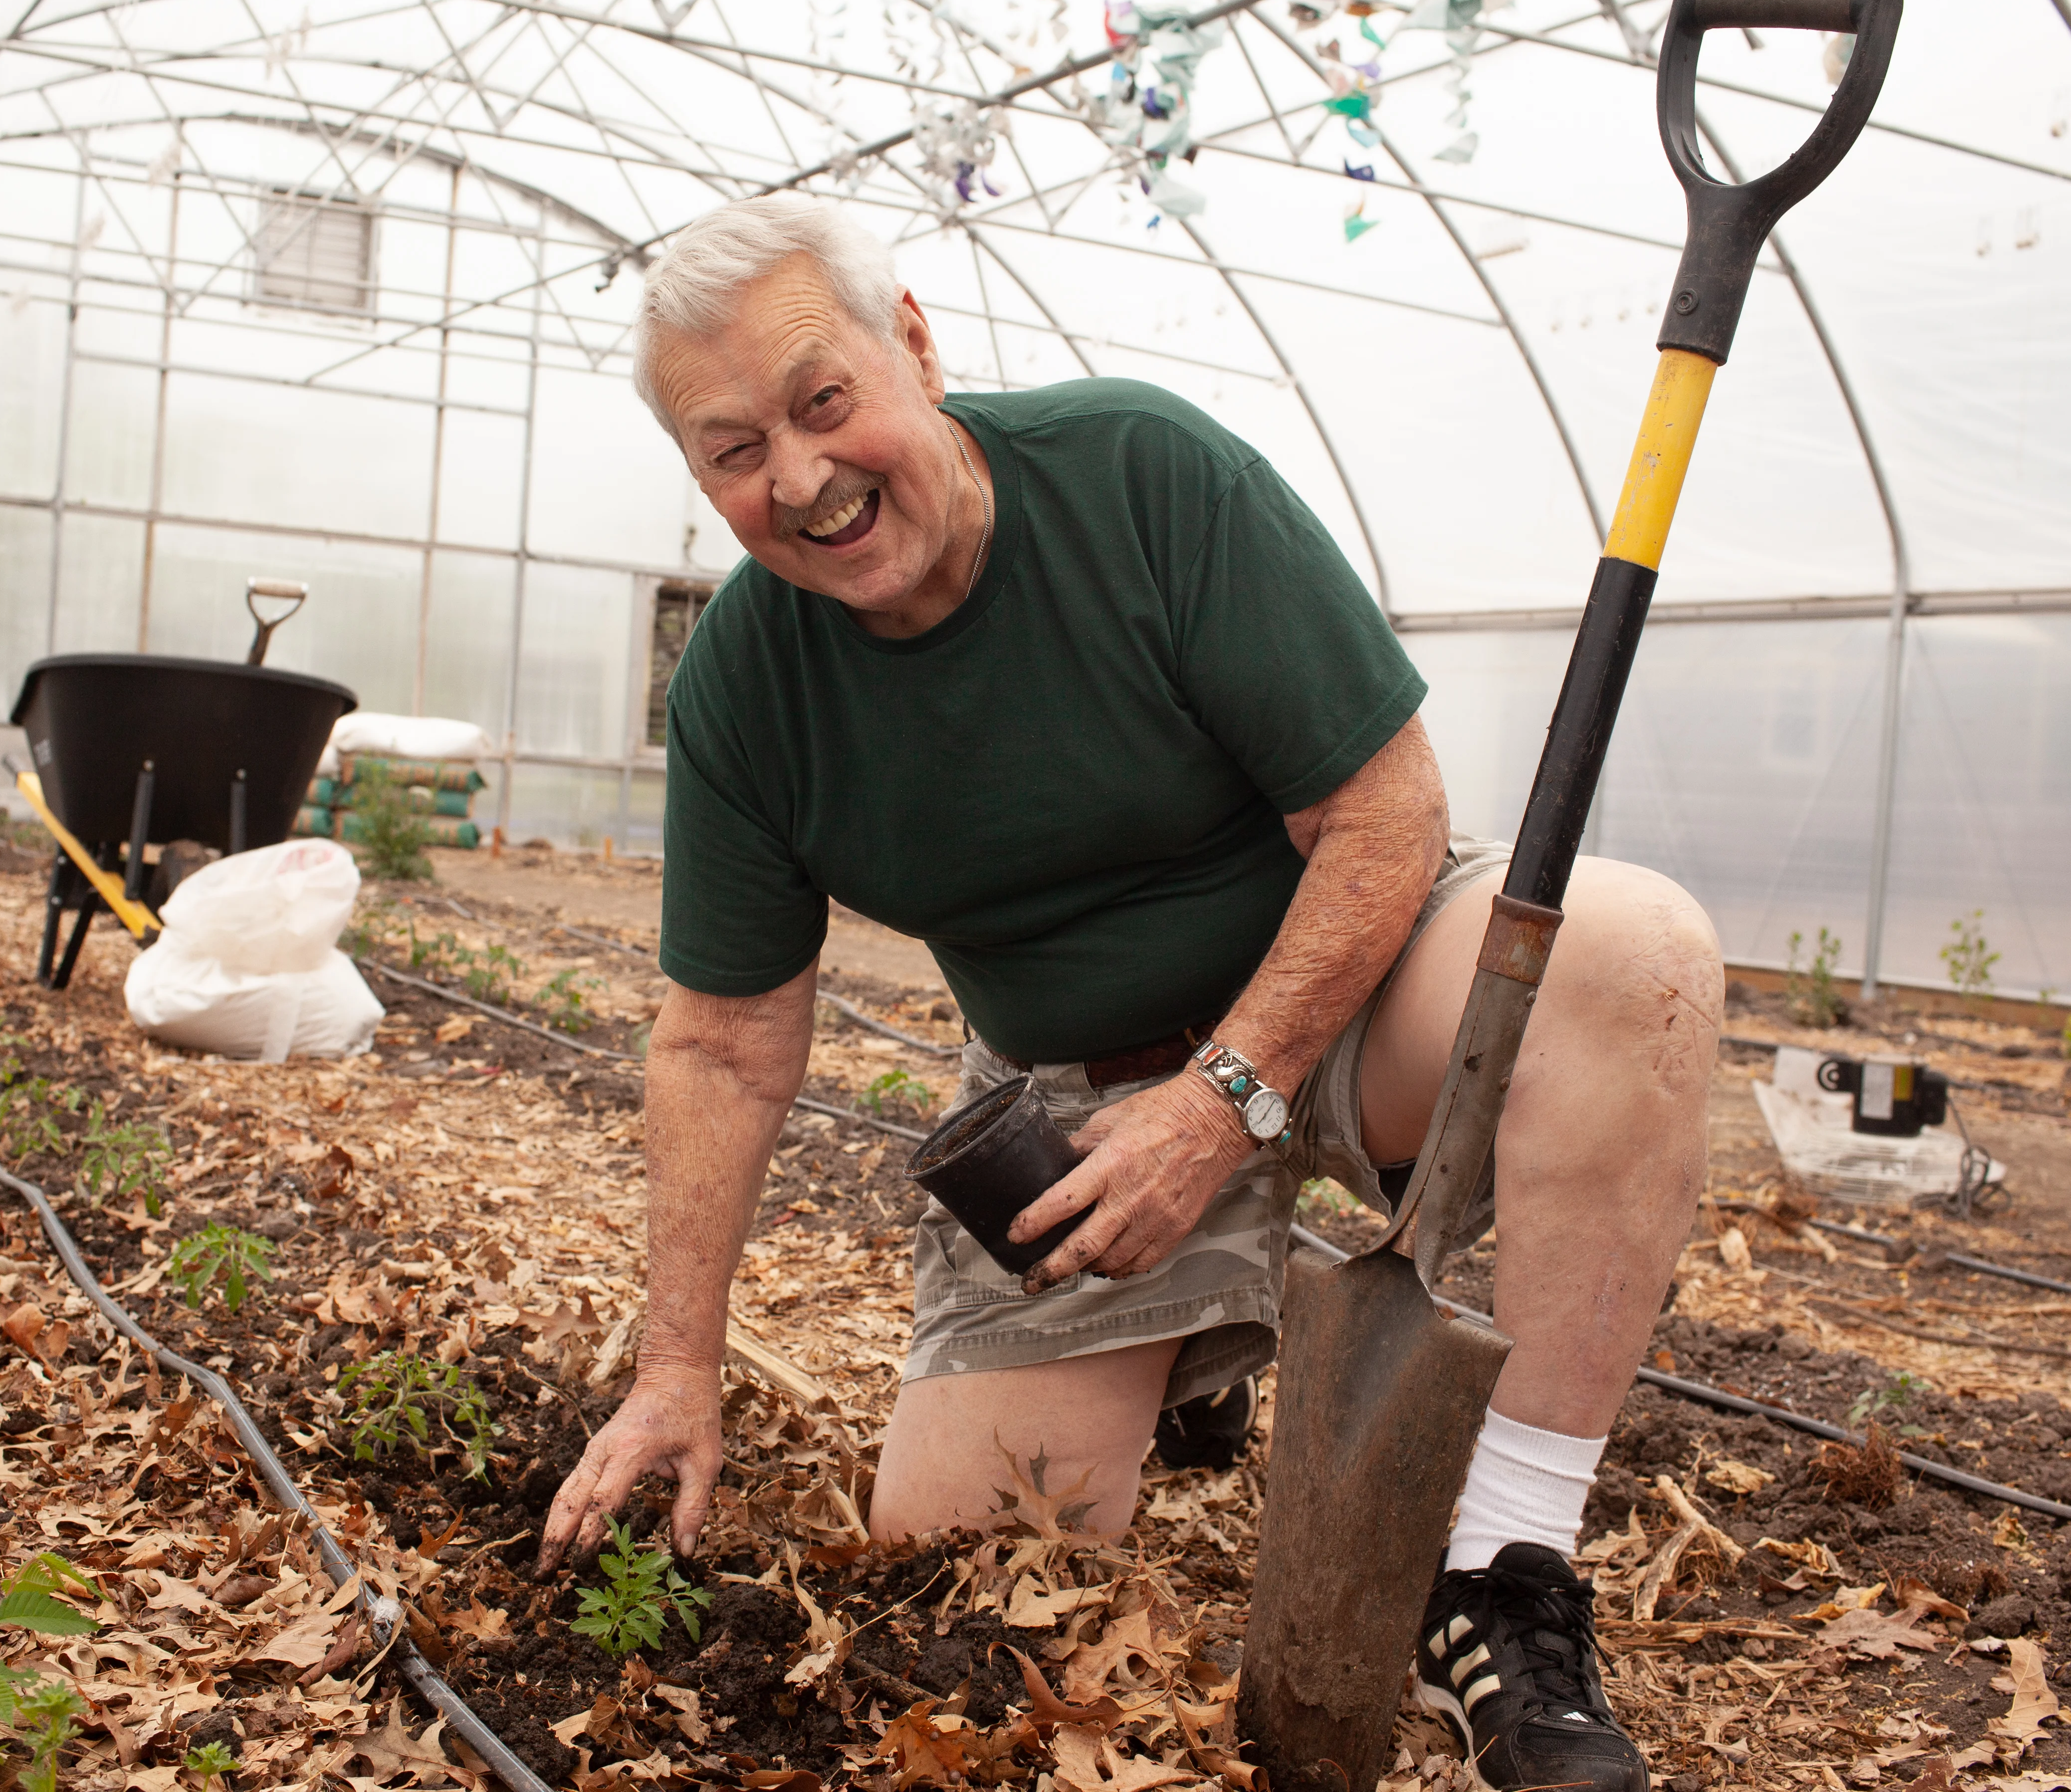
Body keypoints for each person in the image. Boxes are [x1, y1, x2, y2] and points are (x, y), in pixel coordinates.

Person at [535, 193, 1722, 1792]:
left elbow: (1385, 818)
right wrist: (680, 1366)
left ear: (916, 349)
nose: (802, 480)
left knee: (1631, 954)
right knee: (966, 1585)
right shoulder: (752, 686)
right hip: (1078, 1105)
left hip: (1347, 993)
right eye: (734, 449)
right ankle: (1180, 1369)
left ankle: (1499, 1574)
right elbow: (728, 1042)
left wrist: (1227, 1104)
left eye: (825, 404)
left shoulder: (1142, 477)